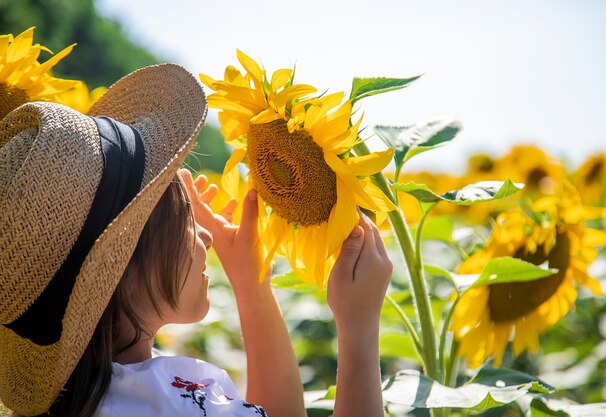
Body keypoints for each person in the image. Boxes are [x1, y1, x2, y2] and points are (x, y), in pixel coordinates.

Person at [0, 63, 393, 417]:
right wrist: (358, 330)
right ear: (123, 264)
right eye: (185, 218)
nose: (204, 233)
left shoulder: (101, 397)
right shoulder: (164, 404)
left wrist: (252, 286)